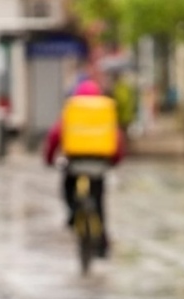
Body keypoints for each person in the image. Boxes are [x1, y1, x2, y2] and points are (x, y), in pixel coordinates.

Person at [44, 79, 125, 257]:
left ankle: (74, 215)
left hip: (75, 163)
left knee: (67, 188)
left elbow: (55, 135)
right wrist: (114, 160)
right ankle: (102, 246)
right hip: (100, 163)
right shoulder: (104, 110)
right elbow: (116, 137)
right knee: (99, 203)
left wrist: (49, 158)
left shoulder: (73, 109)